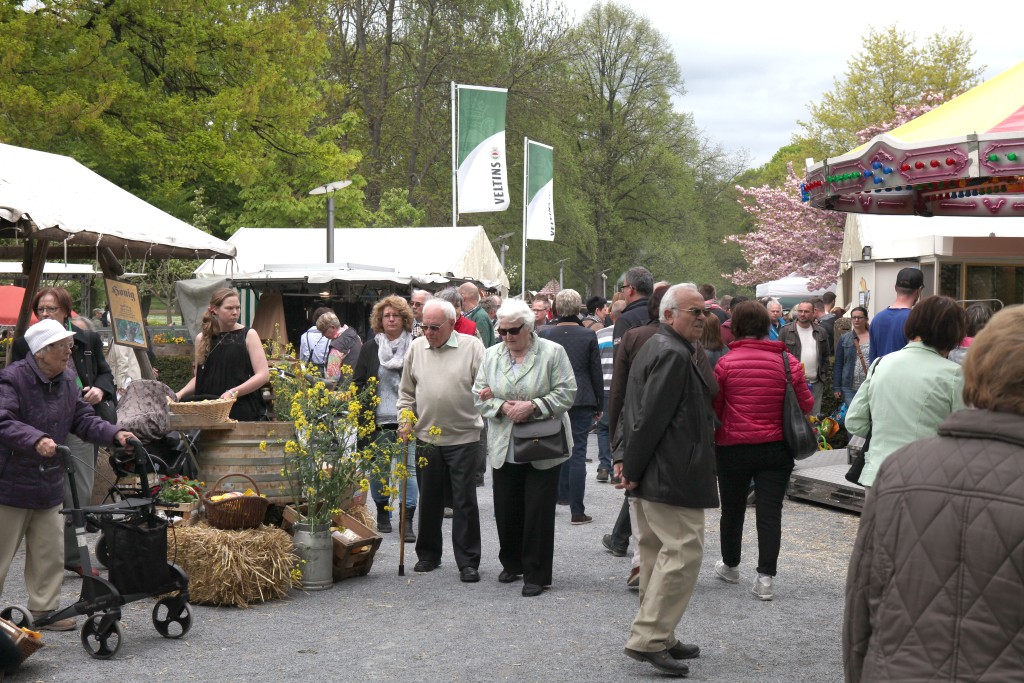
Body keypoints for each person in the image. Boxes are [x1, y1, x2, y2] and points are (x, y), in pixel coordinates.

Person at [843, 304, 1024, 682]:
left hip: (889, 476)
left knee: (903, 569)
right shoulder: (949, 375)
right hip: (963, 473)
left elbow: (855, 421)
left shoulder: (881, 365)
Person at [0, 319, 138, 631]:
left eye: (69, 345)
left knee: (49, 552)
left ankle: (44, 611)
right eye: (62, 346)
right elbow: (3, 420)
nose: (69, 351)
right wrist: (35, 439)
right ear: (41, 351)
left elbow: (84, 420)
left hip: (49, 481)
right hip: (10, 483)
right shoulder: (12, 379)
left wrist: (115, 434)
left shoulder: (66, 380)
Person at [615, 284, 718, 678]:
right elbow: (649, 418)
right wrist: (631, 467)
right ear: (669, 315)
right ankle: (650, 638)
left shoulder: (662, 346)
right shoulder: (672, 352)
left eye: (704, 311)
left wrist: (629, 463)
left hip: (659, 470)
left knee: (657, 553)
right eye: (695, 312)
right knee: (682, 553)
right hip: (671, 471)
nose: (703, 318)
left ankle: (660, 633)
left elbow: (635, 410)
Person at [711, 301, 814, 601]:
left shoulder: (725, 364)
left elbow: (716, 408)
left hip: (733, 447)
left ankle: (731, 565)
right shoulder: (788, 362)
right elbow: (806, 404)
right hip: (776, 448)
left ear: (736, 327)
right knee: (770, 513)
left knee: (732, 510)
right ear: (766, 326)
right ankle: (765, 578)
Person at [473, 300, 576, 597]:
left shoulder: (553, 352)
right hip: (505, 443)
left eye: (513, 331)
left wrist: (534, 406)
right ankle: (512, 562)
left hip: (543, 443)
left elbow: (567, 392)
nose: (507, 337)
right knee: (506, 509)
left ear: (529, 328)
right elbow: (477, 395)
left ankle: (536, 574)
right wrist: (502, 406)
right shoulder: (491, 355)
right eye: (502, 331)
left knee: (538, 512)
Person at [11, 287, 117, 576]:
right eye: (41, 309)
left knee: (79, 490)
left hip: (79, 419)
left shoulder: (86, 339)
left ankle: (73, 555)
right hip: (40, 426)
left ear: (66, 311)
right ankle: (46, 553)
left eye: (52, 309)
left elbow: (105, 374)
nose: (45, 314)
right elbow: (16, 383)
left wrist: (99, 390)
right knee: (40, 490)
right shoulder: (24, 343)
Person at [397, 300, 485, 583]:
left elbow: (485, 388)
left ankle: (468, 561)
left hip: (464, 435)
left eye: (435, 327)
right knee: (429, 499)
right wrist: (405, 419)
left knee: (464, 501)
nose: (428, 332)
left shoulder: (472, 347)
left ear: (452, 323)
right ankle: (428, 555)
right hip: (426, 436)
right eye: (424, 326)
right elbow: (406, 393)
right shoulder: (416, 348)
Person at [845, 296, 967, 488]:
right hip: (926, 479)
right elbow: (965, 435)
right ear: (953, 333)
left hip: (877, 474)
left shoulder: (880, 364)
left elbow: (854, 421)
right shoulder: (955, 375)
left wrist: (885, 431)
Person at [352, 296, 417, 540]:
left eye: (395, 315)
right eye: (386, 316)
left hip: (409, 419)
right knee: (380, 470)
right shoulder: (370, 347)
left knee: (408, 471)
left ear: (404, 319)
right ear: (380, 320)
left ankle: (406, 520)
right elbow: (358, 381)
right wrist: (365, 407)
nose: (391, 319)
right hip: (378, 420)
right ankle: (382, 511)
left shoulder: (416, 346)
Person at [537, 289, 602, 525]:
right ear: (578, 308)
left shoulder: (544, 333)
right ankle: (577, 510)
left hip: (552, 396)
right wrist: (599, 403)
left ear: (555, 308)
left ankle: (552, 500)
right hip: (581, 396)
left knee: (551, 449)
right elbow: (595, 371)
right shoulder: (588, 335)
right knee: (578, 453)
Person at [176, 288, 270, 421]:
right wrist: (179, 394)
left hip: (242, 411)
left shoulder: (249, 335)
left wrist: (232, 392)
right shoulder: (202, 338)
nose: (235, 312)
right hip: (208, 413)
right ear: (215, 310)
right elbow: (200, 378)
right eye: (229, 308)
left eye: (238, 307)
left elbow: (263, 375)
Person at [778, 298, 830, 415]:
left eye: (806, 311)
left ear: (813, 312)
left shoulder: (821, 331)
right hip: (793, 384)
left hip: (815, 383)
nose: (802, 314)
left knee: (814, 417)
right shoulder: (786, 331)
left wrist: (822, 374)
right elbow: (779, 356)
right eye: (800, 311)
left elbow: (825, 356)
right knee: (794, 417)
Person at [869, 267, 924, 363]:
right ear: (918, 291)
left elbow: (873, 359)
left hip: (880, 372)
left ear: (895, 287)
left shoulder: (877, 319)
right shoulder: (916, 320)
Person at [833, 307, 870, 408]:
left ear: (866, 319)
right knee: (852, 414)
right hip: (849, 386)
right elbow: (839, 363)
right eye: (854, 317)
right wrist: (837, 387)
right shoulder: (844, 338)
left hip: (869, 384)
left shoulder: (874, 337)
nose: (856, 320)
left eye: (860, 317)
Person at [315, 311, 362, 387]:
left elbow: (332, 380)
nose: (322, 335)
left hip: (344, 390)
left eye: (324, 331)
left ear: (333, 327)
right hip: (358, 385)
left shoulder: (336, 348)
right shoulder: (355, 335)